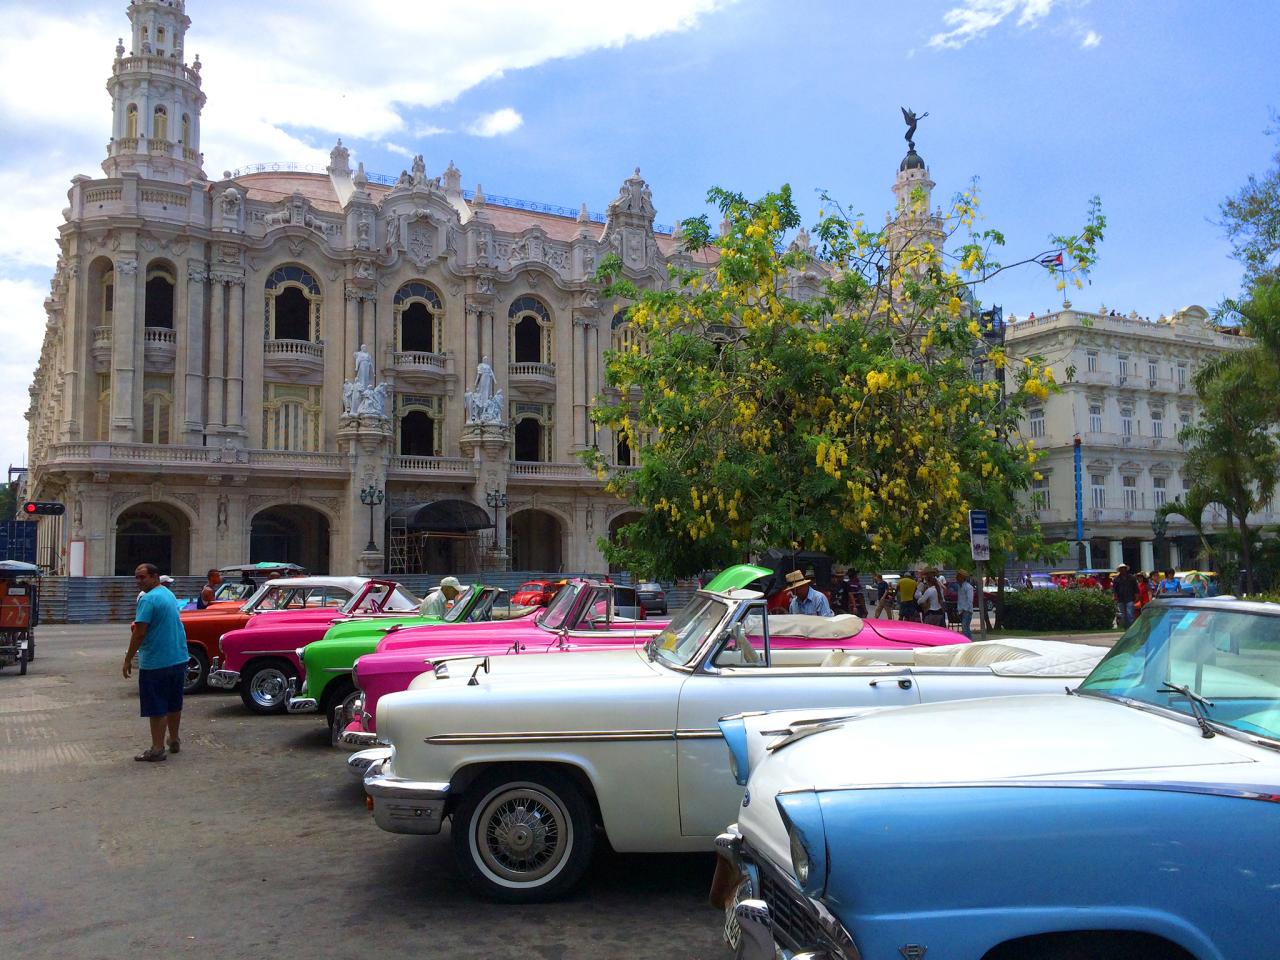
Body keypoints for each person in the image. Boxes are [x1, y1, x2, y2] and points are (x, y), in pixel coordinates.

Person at [122, 563, 189, 762]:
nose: (139, 581)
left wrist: (127, 659)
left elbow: (139, 632)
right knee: (173, 703)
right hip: (178, 657)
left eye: (143, 577)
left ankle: (157, 748)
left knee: (157, 706)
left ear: (155, 577)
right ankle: (174, 739)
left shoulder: (148, 599)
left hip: (157, 661)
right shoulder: (167, 594)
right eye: (137, 577)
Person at [1111, 564, 1138, 628]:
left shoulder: (1132, 578)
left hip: (1130, 598)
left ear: (1126, 569)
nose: (1123, 570)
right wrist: (1114, 596)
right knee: (1123, 615)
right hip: (1120, 598)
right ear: (1119, 570)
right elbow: (1114, 589)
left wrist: (1136, 595)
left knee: (1130, 614)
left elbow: (1135, 587)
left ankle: (1131, 627)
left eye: (1124, 568)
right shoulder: (1116, 579)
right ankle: (1126, 627)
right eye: (1121, 568)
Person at [955, 568, 975, 639]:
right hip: (961, 610)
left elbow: (970, 600)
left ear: (962, 578)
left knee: (965, 627)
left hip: (967, 611)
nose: (956, 578)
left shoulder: (968, 587)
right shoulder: (959, 587)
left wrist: (964, 609)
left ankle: (968, 641)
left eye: (958, 576)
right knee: (964, 628)